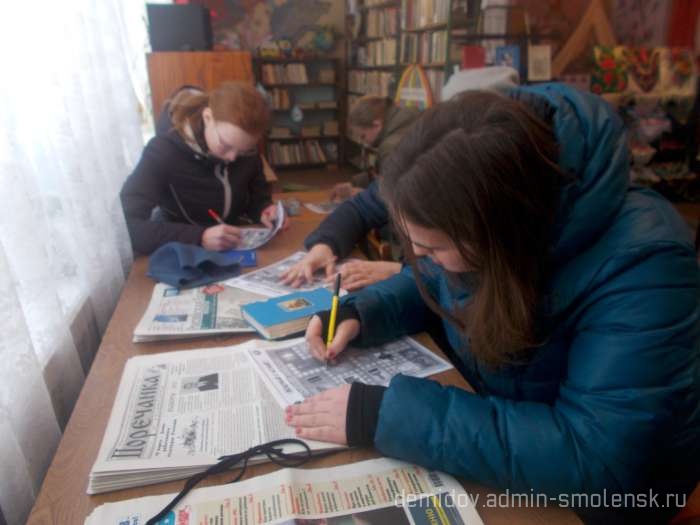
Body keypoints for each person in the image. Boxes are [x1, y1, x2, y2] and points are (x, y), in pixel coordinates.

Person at [285, 84, 700, 523]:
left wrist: (388, 417)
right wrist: (362, 312)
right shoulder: (484, 198)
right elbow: (434, 281)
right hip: (506, 433)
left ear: (498, 230)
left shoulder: (644, 267)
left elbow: (599, 461)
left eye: (433, 247)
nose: (418, 257)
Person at [121, 82, 284, 255]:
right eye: (225, 145)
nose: (233, 157)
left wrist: (263, 209)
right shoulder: (162, 152)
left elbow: (255, 196)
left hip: (234, 245)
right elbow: (127, 227)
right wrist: (199, 237)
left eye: (245, 150)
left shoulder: (242, 147)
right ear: (208, 117)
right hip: (182, 249)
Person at [280, 97, 420, 291]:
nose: (362, 142)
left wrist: (402, 270)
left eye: (436, 247)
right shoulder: (407, 162)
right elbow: (360, 208)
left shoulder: (401, 150)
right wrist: (324, 244)